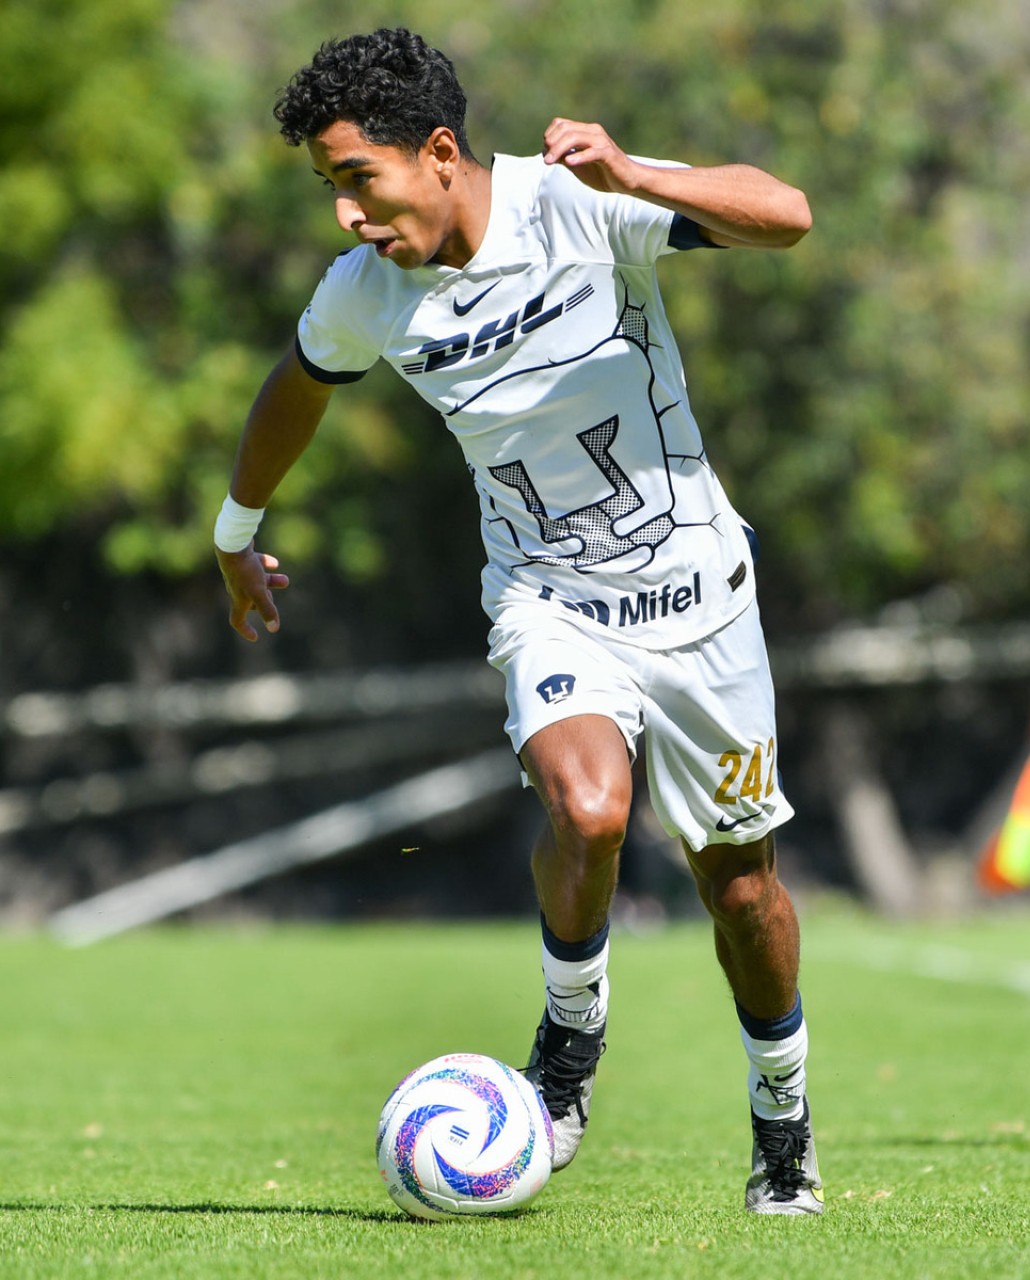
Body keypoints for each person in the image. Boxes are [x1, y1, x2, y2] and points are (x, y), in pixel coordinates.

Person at [213, 30, 822, 1213]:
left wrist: (634, 174)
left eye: (358, 178)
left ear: (440, 153)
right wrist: (236, 533)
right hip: (550, 600)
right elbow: (295, 387)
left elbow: (787, 215)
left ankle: (782, 1120)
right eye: (329, 186)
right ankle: (569, 1042)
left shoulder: (577, 202)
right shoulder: (367, 294)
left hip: (703, 604)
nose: (346, 213)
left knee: (742, 890)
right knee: (589, 808)